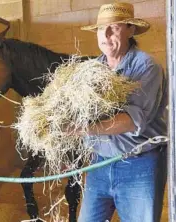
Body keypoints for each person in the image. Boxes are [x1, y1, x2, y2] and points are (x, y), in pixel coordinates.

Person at [75, 2, 168, 222]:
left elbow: (131, 120)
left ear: (131, 30)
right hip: (99, 163)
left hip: (138, 165)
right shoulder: (92, 70)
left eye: (114, 28)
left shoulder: (146, 67)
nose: (105, 35)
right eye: (100, 29)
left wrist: (82, 129)